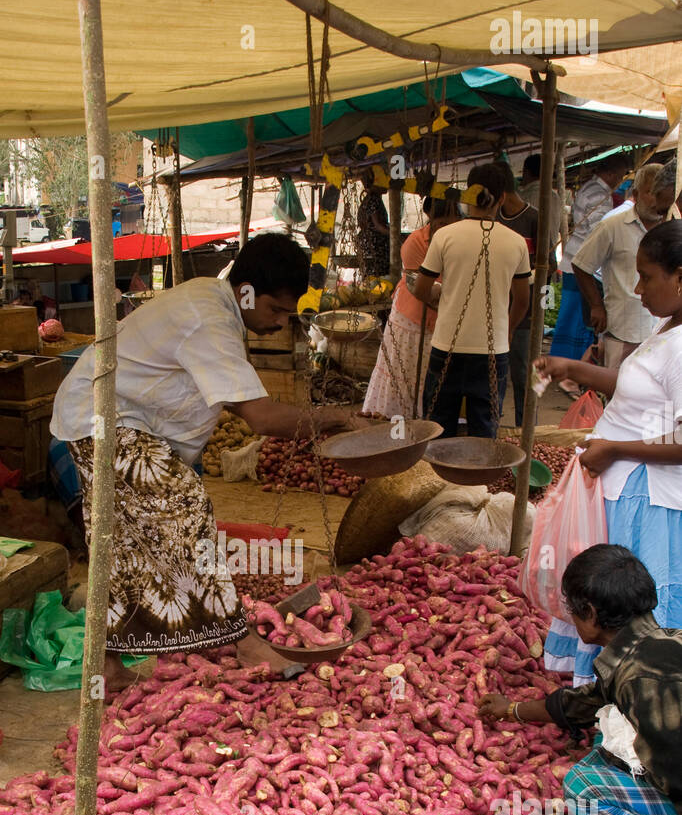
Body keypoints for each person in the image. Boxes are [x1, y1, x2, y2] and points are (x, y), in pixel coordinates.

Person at [50, 233, 358, 692]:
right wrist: (337, 419)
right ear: (246, 291)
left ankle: (108, 669)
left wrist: (327, 421)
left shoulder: (217, 307)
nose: (278, 323)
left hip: (111, 418)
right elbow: (259, 416)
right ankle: (244, 644)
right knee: (186, 506)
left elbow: (238, 402)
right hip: (102, 419)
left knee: (123, 544)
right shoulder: (209, 317)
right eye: (275, 310)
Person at [479, 545, 682, 815]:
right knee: (600, 759)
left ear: (590, 613)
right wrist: (513, 710)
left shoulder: (641, 680)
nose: (570, 617)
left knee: (583, 788)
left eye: (572, 609)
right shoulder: (655, 645)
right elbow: (581, 704)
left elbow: (677, 770)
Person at [534, 218, 682, 683]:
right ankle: (603, 694)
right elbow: (637, 388)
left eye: (647, 276)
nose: (637, 289)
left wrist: (614, 448)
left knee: (630, 605)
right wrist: (574, 368)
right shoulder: (669, 326)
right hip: (623, 486)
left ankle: (635, 695)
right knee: (608, 599)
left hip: (647, 498)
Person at [412, 164, 531, 439]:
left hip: (446, 347)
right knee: (484, 431)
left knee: (437, 428)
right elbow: (523, 300)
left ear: (468, 195)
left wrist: (442, 297)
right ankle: (478, 481)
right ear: (502, 198)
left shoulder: (444, 235)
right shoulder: (516, 243)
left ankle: (435, 480)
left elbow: (420, 289)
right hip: (493, 350)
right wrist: (509, 331)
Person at [573, 160, 677, 371]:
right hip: (623, 325)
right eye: (650, 192)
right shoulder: (613, 224)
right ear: (636, 194)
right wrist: (596, 305)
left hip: (660, 328)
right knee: (616, 387)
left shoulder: (672, 227)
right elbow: (581, 264)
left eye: (660, 196)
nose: (655, 202)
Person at [362, 196, 458, 419]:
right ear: (430, 218)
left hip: (445, 316)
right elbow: (421, 290)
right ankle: (396, 422)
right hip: (414, 316)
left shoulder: (463, 241)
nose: (446, 228)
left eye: (452, 222)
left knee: (433, 376)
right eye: (441, 223)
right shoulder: (416, 242)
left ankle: (430, 423)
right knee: (405, 373)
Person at [549, 154, 629, 388]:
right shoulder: (598, 193)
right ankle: (567, 374)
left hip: (578, 261)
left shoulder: (592, 188)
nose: (621, 180)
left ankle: (565, 372)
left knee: (571, 320)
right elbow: (599, 232)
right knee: (578, 321)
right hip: (582, 265)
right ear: (614, 174)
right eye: (621, 175)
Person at [494, 160, 539, 428]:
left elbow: (549, 265)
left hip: (525, 310)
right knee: (496, 371)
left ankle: (525, 430)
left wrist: (521, 275)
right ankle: (494, 427)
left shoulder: (533, 218)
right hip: (496, 306)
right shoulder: (493, 219)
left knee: (522, 374)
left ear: (501, 194)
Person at [519, 153, 563, 255]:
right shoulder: (555, 196)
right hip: (550, 253)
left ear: (526, 172)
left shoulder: (525, 196)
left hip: (531, 255)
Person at [356, 175, 390, 279]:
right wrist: (396, 235)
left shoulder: (368, 199)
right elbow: (379, 226)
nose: (387, 185)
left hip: (367, 243)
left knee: (370, 279)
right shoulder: (374, 200)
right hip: (375, 245)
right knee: (378, 279)